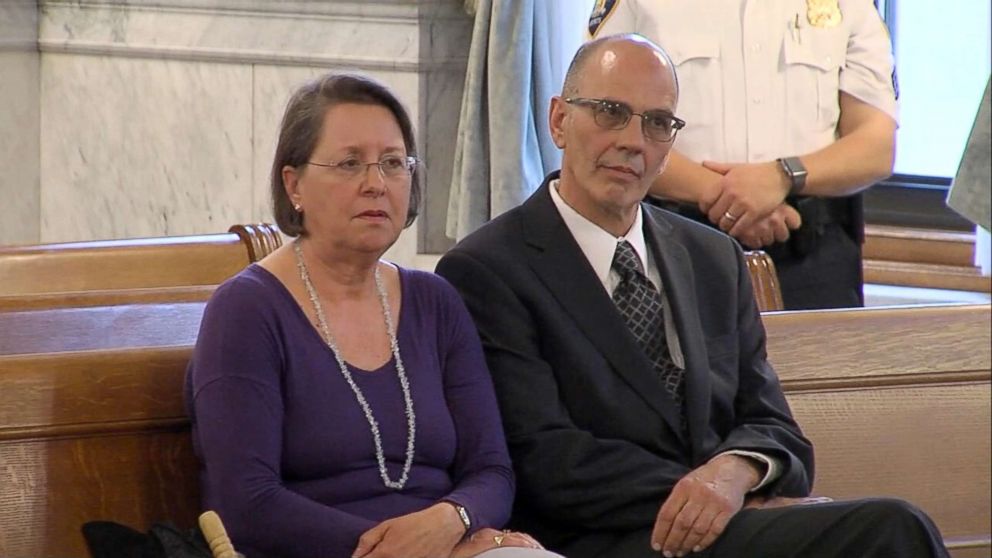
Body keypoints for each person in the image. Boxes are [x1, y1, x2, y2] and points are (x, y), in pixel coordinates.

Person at [436, 35, 948, 558]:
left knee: (892, 527)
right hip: (603, 537)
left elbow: (777, 429)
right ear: (559, 120)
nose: (634, 140)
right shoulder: (488, 269)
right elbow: (544, 458)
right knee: (889, 530)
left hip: (726, 524)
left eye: (657, 122)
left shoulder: (713, 258)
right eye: (611, 112)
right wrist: (711, 497)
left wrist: (735, 471)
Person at [185, 73, 559, 558]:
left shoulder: (436, 302)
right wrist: (405, 548)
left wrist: (454, 520)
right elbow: (247, 503)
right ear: (293, 184)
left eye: (392, 163)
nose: (376, 184)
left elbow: (492, 471)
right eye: (349, 164)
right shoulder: (247, 309)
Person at [588, 0, 899, 310]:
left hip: (813, 256)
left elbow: (876, 148)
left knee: (818, 360)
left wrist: (781, 177)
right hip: (675, 246)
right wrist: (728, 196)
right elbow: (604, 122)